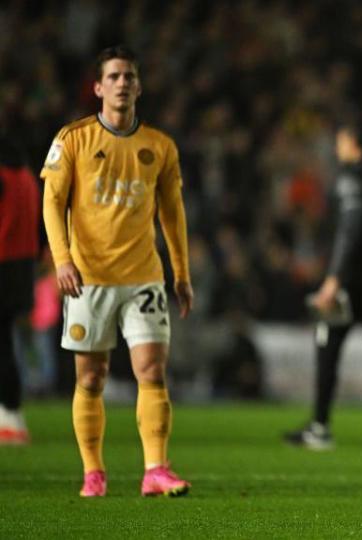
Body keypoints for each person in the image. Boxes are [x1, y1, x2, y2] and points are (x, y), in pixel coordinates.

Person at [41, 46, 193, 497]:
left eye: (129, 76)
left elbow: (173, 212)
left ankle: (156, 470)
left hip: (143, 276)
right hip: (88, 277)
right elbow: (51, 202)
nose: (123, 83)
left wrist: (181, 273)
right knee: (91, 377)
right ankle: (94, 472)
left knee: (151, 371)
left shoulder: (160, 147)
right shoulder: (73, 139)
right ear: (98, 88)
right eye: (114, 76)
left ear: (139, 86)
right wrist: (62, 260)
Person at [284, 119, 362, 452]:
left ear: (352, 141)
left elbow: (351, 229)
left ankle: (320, 427)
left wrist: (333, 280)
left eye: (340, 140)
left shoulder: (351, 179)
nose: (337, 147)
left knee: (328, 351)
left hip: (353, 285)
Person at [0, 136, 40, 445]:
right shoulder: (27, 177)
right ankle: (11, 414)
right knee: (6, 343)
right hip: (23, 271)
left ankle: (9, 414)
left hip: (2, 264)